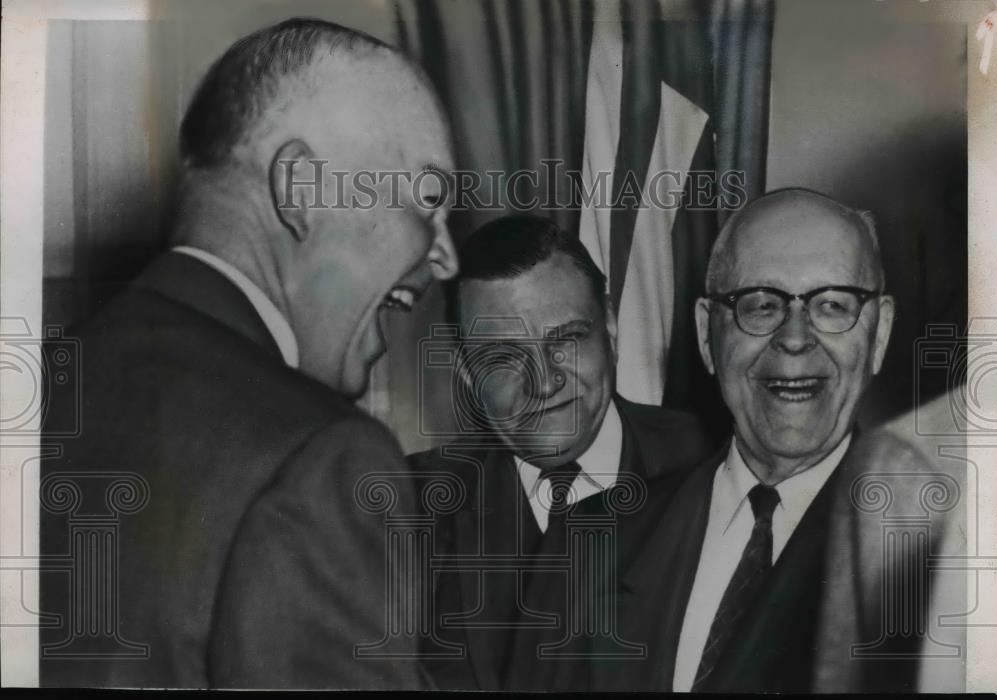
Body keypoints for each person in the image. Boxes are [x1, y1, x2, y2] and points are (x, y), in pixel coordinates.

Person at [40, 18, 458, 689]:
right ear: (301, 189)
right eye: (429, 200)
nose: (446, 255)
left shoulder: (39, 393)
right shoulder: (317, 459)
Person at [590, 188, 963, 692]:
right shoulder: (587, 546)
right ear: (706, 334)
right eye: (761, 305)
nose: (794, 338)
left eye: (832, 305)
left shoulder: (931, 565)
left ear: (878, 335)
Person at [407, 214, 715, 691]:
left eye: (566, 339)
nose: (545, 382)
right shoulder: (409, 506)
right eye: (505, 357)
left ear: (610, 325)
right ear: (467, 374)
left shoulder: (714, 462)